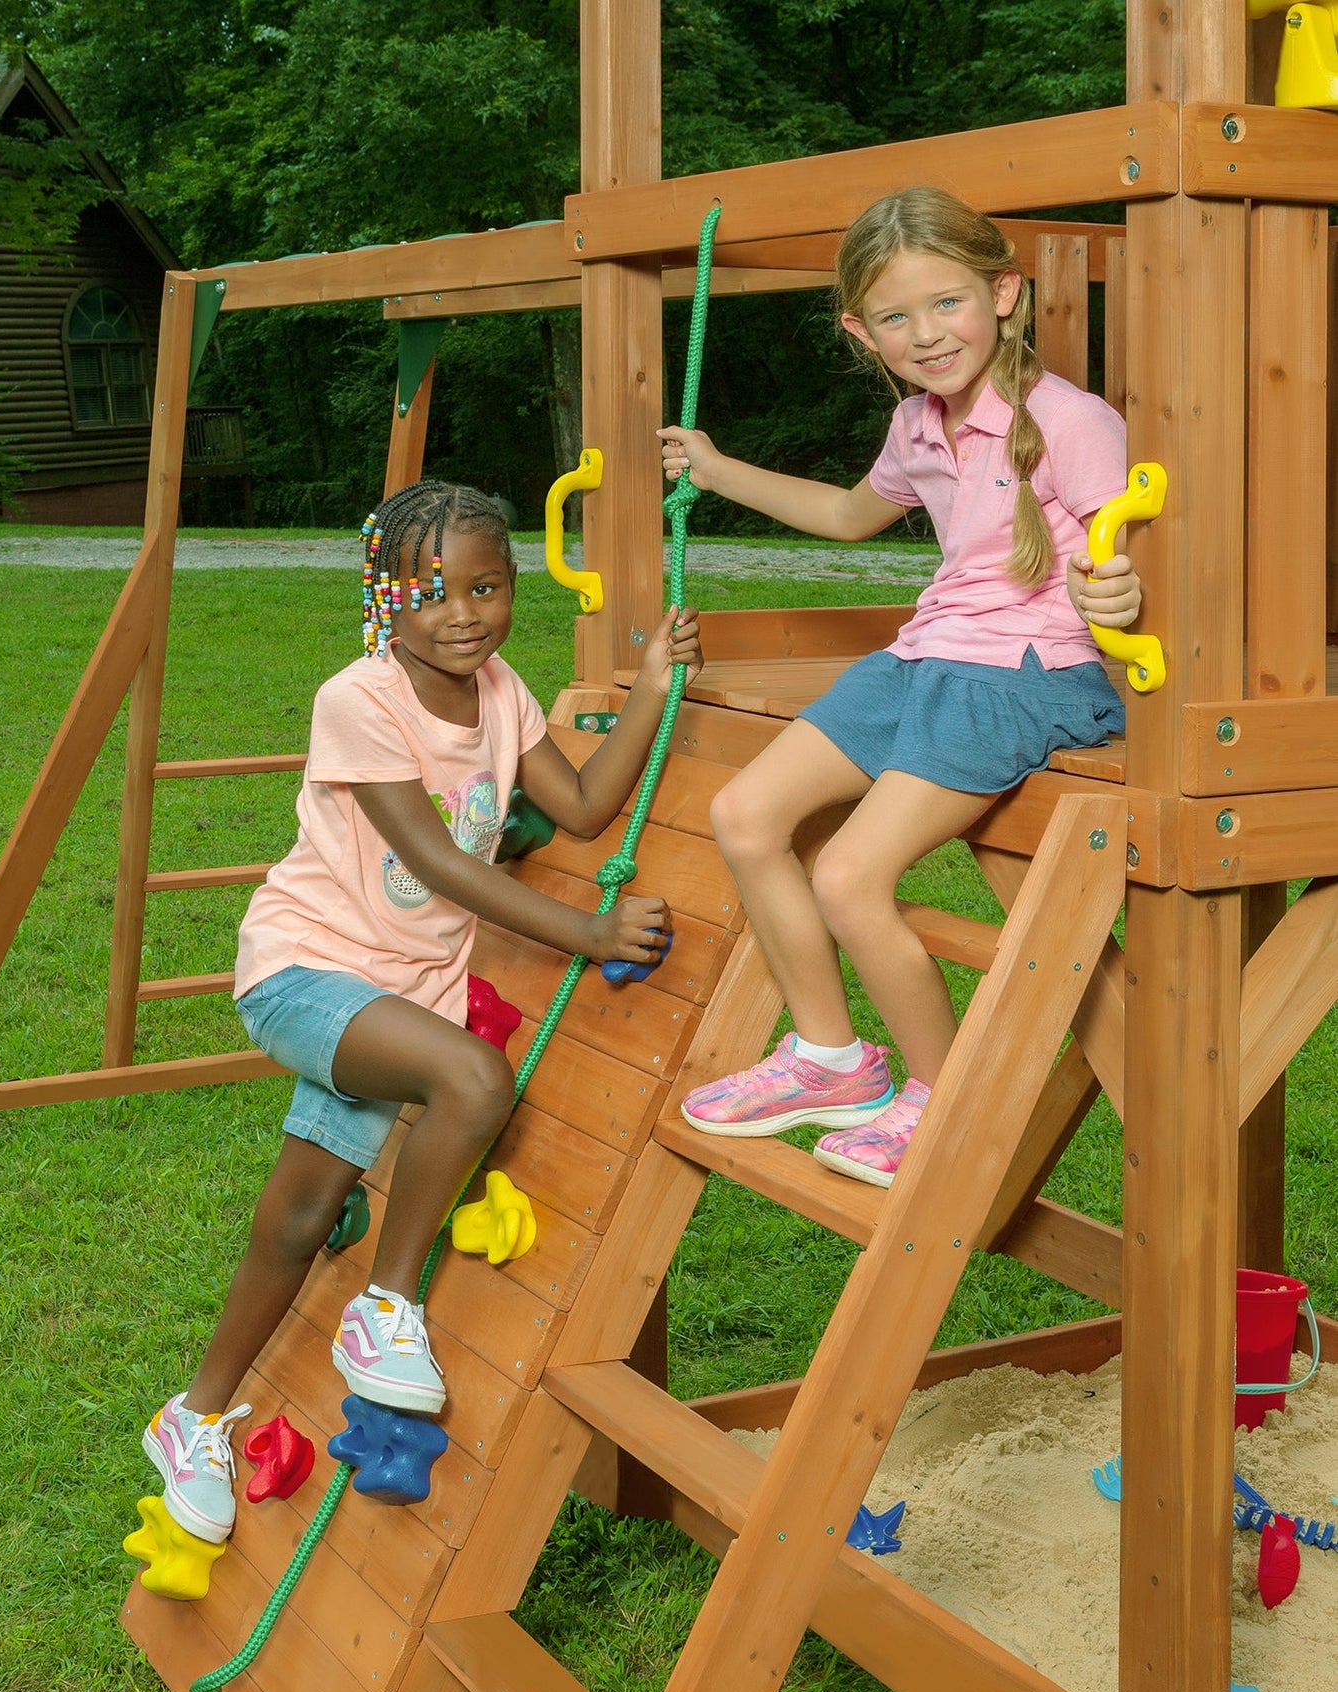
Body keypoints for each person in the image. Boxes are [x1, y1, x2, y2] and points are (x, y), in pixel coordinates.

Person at [143, 480, 697, 1545]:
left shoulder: (501, 693)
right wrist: (586, 933)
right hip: (305, 971)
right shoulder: (358, 697)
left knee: (305, 1212)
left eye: (485, 586)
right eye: (433, 591)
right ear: (384, 596)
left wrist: (650, 688)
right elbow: (437, 858)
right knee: (474, 1078)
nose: (462, 612)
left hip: (403, 988)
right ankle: (385, 1305)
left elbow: (580, 808)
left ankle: (194, 1415)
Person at [658, 186, 1140, 1188]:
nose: (924, 334)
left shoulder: (1069, 419)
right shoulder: (916, 425)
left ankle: (938, 1094)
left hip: (1026, 675)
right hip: (924, 660)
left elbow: (1117, 555)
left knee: (847, 875)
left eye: (945, 303)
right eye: (893, 316)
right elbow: (844, 515)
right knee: (744, 813)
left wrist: (1121, 592)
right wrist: (711, 469)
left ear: (1002, 294)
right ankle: (831, 1058)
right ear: (858, 330)